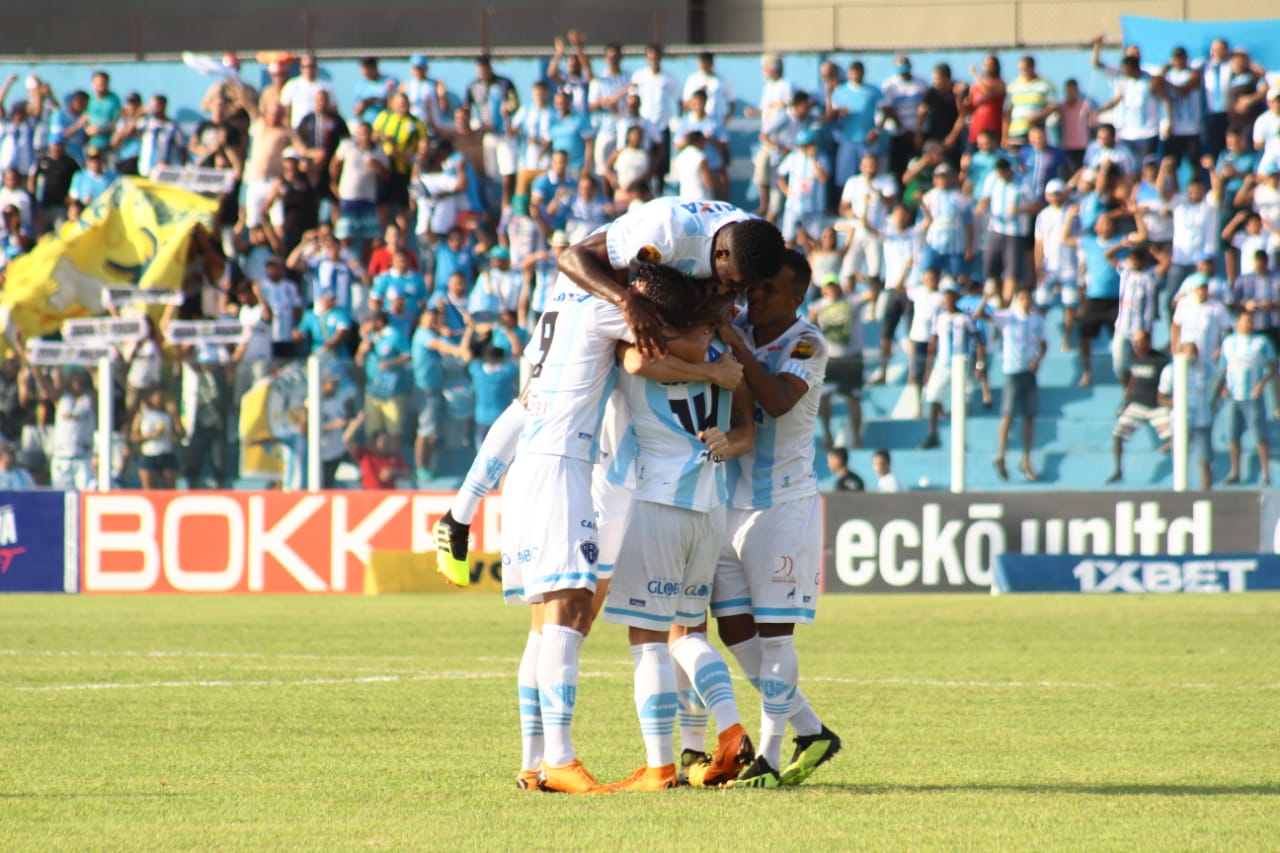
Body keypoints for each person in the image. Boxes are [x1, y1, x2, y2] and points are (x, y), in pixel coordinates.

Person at [596, 268, 756, 794]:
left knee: (646, 641)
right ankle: (730, 732)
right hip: (708, 505)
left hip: (660, 502)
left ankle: (658, 767)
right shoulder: (718, 358)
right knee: (685, 634)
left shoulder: (641, 350)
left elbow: (638, 360)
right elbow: (739, 422)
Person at [710, 249, 842, 789]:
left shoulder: (808, 342)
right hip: (728, 500)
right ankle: (810, 730)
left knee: (775, 637)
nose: (755, 297)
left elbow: (780, 401)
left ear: (797, 297)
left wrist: (735, 343)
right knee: (732, 627)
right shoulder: (736, 324)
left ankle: (767, 756)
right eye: (754, 288)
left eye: (769, 291)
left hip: (783, 505)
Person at [986, 288, 1047, 481]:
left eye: (1028, 297)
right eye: (1021, 297)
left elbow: (1043, 344)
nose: (1025, 301)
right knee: (1008, 415)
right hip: (1012, 371)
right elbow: (982, 316)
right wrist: (986, 299)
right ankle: (1001, 456)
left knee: (1029, 417)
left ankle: (1026, 459)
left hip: (1028, 371)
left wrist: (1038, 359)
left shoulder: (1037, 320)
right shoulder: (1008, 317)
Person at [920, 284, 981, 449]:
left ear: (956, 299)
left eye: (950, 298)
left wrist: (979, 364)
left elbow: (978, 340)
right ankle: (933, 435)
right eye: (944, 299)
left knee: (962, 401)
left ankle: (960, 439)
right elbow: (933, 345)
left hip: (962, 364)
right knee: (932, 396)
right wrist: (928, 368)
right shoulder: (939, 318)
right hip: (943, 363)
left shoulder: (965, 318)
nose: (946, 302)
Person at [1106, 330, 1171, 484]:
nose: (1137, 346)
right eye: (1135, 343)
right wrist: (1127, 399)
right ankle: (1118, 471)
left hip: (1157, 407)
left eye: (1140, 342)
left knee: (1176, 437)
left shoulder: (1160, 360)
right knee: (1118, 435)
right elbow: (1133, 378)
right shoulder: (1133, 358)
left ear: (1148, 342)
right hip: (1137, 405)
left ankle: (1177, 472)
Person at [1221, 310, 1275, 485]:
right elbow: (1223, 367)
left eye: (1251, 321)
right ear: (1238, 323)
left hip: (1253, 395)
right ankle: (1235, 472)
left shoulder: (1262, 342)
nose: (1248, 324)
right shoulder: (1229, 342)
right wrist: (1224, 386)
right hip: (1233, 397)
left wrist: (1261, 384)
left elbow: (1273, 366)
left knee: (1260, 435)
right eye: (1245, 321)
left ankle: (1266, 472)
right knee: (1232, 436)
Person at [1158, 342, 1218, 491]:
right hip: (1180, 421)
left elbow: (1221, 380)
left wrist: (1214, 400)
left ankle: (1206, 494)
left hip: (1202, 419)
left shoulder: (1206, 367)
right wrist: (1177, 403)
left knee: (1205, 461)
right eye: (1189, 352)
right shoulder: (1171, 370)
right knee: (1179, 459)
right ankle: (1181, 494)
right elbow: (1161, 397)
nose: (1192, 356)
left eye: (1195, 352)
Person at [342, 410, 409, 490]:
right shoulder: (365, 454)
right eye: (383, 441)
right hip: (368, 495)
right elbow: (347, 439)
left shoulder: (393, 457)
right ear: (374, 443)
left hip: (388, 496)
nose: (386, 444)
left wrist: (393, 471)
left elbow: (408, 475)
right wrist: (358, 421)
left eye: (387, 441)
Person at [132, 386, 183, 490]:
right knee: (149, 489)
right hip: (149, 455)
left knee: (170, 489)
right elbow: (134, 437)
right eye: (157, 396)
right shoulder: (143, 414)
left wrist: (175, 416)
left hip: (166, 454)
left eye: (162, 396)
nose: (160, 399)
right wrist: (152, 436)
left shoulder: (168, 414)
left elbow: (180, 434)